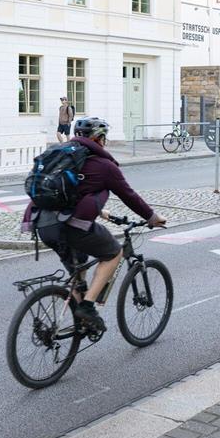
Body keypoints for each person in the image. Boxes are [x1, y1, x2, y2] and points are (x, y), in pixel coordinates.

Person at [23, 117, 166, 331]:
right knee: (113, 253)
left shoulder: (61, 155)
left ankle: (82, 324)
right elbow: (129, 196)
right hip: (69, 226)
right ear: (99, 139)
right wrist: (152, 217)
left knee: (78, 268)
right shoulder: (104, 165)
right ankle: (88, 307)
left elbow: (73, 192)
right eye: (104, 138)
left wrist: (99, 210)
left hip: (42, 224)